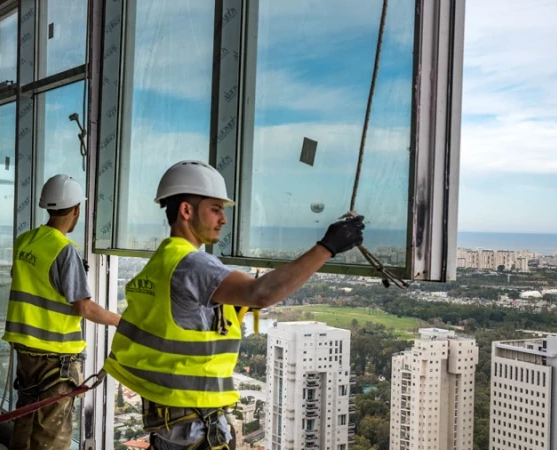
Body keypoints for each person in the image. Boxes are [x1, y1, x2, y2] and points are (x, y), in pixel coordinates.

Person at [104, 160, 365, 450]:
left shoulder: (160, 264)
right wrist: (327, 247)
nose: (223, 219)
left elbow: (186, 322)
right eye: (215, 209)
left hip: (168, 421)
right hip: (197, 423)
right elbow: (261, 293)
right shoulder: (193, 264)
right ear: (186, 211)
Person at [2, 174, 122, 450]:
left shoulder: (25, 241)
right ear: (76, 210)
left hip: (26, 351)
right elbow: (83, 306)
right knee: (51, 435)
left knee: (25, 418)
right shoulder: (64, 251)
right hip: (55, 358)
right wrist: (120, 321)